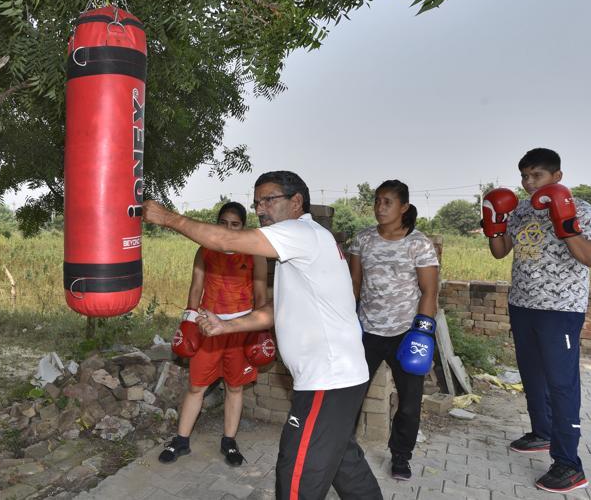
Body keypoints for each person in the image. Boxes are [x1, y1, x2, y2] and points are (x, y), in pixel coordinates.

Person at [144, 171, 382, 500]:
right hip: (340, 378)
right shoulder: (301, 248)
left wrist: (167, 217)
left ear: (296, 202)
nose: (260, 209)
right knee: (345, 465)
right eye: (256, 203)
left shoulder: (300, 232)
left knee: (295, 475)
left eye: (268, 200)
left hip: (327, 381)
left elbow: (226, 241)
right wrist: (227, 326)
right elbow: (275, 310)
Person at [484, 147, 591, 494]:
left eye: (536, 176)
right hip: (522, 303)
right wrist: (494, 223)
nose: (528, 183)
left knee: (561, 384)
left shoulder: (581, 209)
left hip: (561, 309)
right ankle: (542, 432)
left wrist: (565, 224)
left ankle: (569, 464)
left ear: (557, 177)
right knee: (531, 375)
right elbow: (500, 251)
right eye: (524, 176)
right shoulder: (519, 209)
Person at [159, 202, 268, 467]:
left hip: (240, 328)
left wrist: (261, 330)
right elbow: (196, 288)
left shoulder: (255, 254)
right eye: (223, 223)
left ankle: (229, 441)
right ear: (216, 223)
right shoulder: (205, 250)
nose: (228, 229)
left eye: (235, 224)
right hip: (207, 326)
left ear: (243, 227)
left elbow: (261, 295)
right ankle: (181, 440)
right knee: (196, 385)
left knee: (234, 386)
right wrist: (188, 319)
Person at [348, 180, 439, 481]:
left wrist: (422, 333)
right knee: (349, 395)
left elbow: (429, 291)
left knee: (411, 402)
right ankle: (344, 449)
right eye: (377, 201)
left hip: (406, 333)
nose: (380, 207)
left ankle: (401, 455)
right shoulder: (362, 240)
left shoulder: (419, 244)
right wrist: (347, 323)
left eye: (387, 202)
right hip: (368, 332)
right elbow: (354, 286)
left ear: (404, 208)